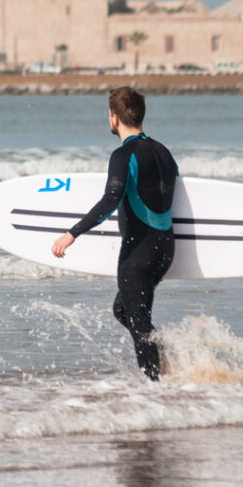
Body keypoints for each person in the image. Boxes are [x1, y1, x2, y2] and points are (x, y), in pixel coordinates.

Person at [51, 86, 178, 381]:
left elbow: (111, 200)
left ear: (114, 118)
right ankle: (167, 357)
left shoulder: (124, 154)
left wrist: (71, 234)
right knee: (123, 310)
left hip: (139, 250)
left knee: (137, 319)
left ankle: (153, 390)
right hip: (165, 248)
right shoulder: (164, 152)